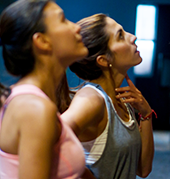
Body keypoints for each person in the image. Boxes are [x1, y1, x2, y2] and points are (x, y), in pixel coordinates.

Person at [0, 0, 93, 179]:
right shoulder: (35, 109)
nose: (76, 27)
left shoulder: (28, 101)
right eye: (63, 20)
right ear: (42, 41)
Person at [61, 14, 154, 179]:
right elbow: (54, 137)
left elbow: (143, 169)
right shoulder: (93, 98)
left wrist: (146, 114)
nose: (133, 37)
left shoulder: (122, 100)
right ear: (104, 60)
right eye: (120, 36)